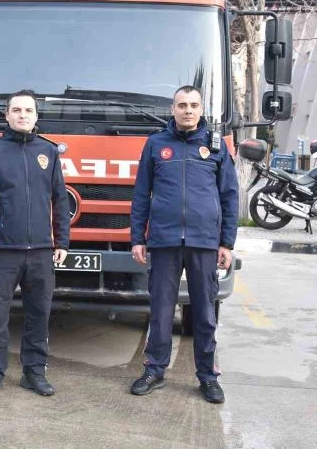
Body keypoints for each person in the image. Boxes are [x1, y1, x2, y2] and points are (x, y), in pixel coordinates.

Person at [129, 85, 238, 404]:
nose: (187, 110)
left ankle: (208, 376)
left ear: (201, 110)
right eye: (181, 105)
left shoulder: (216, 146)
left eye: (193, 105)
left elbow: (230, 195)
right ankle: (154, 370)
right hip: (163, 241)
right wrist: (138, 237)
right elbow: (140, 194)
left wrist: (226, 242)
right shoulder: (155, 144)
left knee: (204, 312)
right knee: (161, 309)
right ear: (172, 110)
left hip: (204, 242)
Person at [0, 90, 70, 399]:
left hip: (41, 251)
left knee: (39, 315)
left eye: (28, 110)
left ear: (36, 116)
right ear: (7, 115)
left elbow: (60, 198)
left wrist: (62, 240)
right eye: (17, 110)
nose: (22, 115)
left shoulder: (49, 152)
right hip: (1, 253)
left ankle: (34, 373)